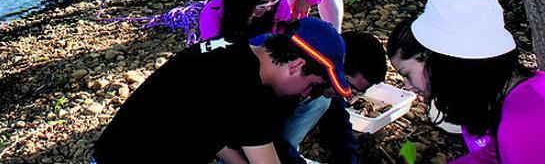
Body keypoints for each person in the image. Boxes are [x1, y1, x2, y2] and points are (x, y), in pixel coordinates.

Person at [92, 17, 353, 164]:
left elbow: (215, 133)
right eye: (312, 87)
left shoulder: (235, 49)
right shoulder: (247, 89)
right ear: (296, 66)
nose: (306, 95)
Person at [387, 0, 545, 164]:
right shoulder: (531, 88)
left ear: (442, 62)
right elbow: (493, 155)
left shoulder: (523, 126)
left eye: (407, 74)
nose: (407, 85)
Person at [280, 31, 387, 164]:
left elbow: (338, 126)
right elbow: (268, 140)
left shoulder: (326, 89)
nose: (347, 95)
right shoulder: (285, 82)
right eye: (349, 86)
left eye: (357, 92)